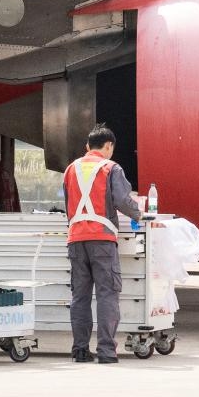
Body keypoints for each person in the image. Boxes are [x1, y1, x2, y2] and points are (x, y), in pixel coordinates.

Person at [63, 124, 142, 364]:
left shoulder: (70, 169)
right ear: (108, 146)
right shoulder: (111, 168)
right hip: (102, 239)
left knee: (80, 296)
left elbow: (68, 203)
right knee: (107, 295)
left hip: (76, 239)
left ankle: (80, 350)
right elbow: (123, 201)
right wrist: (140, 213)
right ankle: (106, 352)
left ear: (87, 147)